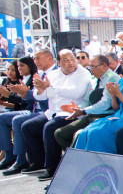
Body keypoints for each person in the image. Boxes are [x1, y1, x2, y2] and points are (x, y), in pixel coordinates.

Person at [23, 49, 92, 180]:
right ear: (59, 62)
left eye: (72, 59)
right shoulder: (53, 74)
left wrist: (51, 87)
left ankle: (52, 167)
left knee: (49, 128)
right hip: (53, 112)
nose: (71, 63)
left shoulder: (83, 73)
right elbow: (42, 97)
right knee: (28, 127)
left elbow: (76, 92)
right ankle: (37, 161)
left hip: (72, 112)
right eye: (66, 60)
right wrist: (40, 89)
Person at [73, 52, 123, 155]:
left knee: (95, 133)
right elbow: (116, 107)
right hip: (119, 116)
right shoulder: (122, 81)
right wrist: (113, 96)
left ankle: (103, 161)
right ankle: (83, 161)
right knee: (87, 131)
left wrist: (119, 94)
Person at [54, 54, 121, 149]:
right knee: (60, 133)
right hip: (91, 115)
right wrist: (78, 109)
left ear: (104, 66)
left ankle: (78, 155)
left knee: (80, 135)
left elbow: (105, 104)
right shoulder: (93, 79)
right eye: (90, 66)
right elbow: (86, 100)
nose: (91, 69)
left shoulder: (113, 78)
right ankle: (75, 155)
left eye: (93, 67)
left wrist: (84, 111)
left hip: (106, 116)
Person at [0, 55, 40, 172]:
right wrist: (6, 97)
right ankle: (8, 156)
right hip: (25, 109)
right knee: (0, 118)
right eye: (18, 66)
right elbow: (21, 101)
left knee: (16, 120)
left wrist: (9, 96)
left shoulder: (34, 78)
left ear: (30, 66)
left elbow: (29, 100)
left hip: (32, 110)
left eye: (22, 66)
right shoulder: (23, 79)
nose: (19, 68)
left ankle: (21, 160)